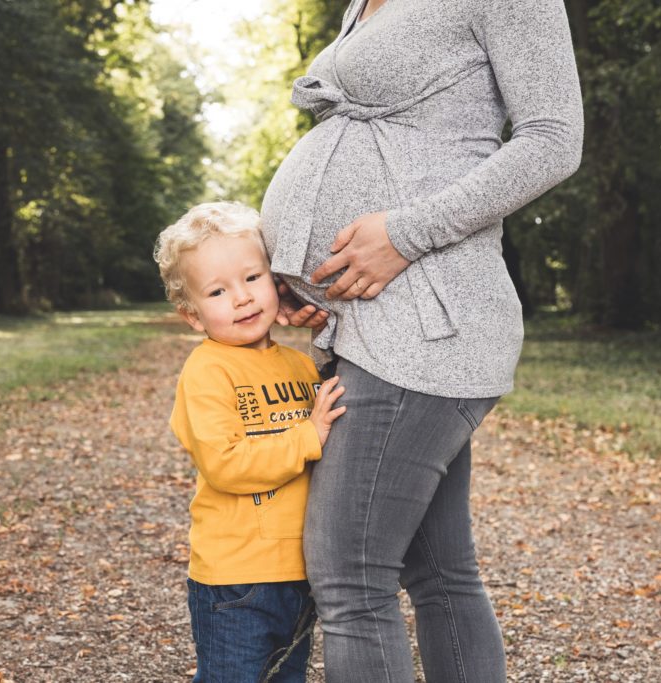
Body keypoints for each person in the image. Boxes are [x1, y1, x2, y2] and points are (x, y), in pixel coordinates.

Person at [259, 0, 585, 681]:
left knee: (350, 575)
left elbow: (554, 139)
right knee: (437, 569)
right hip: (375, 323)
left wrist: (407, 233)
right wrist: (298, 276)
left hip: (426, 321)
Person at [154, 201, 347, 682]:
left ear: (274, 282)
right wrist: (308, 436)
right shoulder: (208, 372)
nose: (241, 298)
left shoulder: (299, 366)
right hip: (236, 577)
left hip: (298, 570)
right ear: (193, 316)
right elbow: (226, 464)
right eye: (218, 291)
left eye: (252, 278)